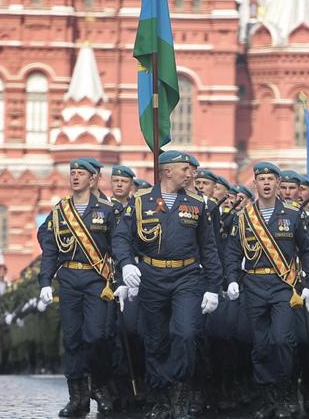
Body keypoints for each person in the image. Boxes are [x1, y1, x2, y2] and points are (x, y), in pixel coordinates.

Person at [112, 150, 223, 419]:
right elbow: (121, 238)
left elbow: (209, 248)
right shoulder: (140, 202)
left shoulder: (198, 204)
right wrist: (126, 264)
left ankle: (179, 394)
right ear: (168, 171)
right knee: (155, 340)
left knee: (185, 335)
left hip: (186, 277)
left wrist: (212, 286)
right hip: (151, 276)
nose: (191, 173)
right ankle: (161, 398)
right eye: (186, 169)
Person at [224, 162, 309, 419]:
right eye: (261, 179)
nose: (266, 183)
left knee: (282, 340)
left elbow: (307, 250)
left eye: (271, 179)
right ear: (255, 183)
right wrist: (231, 279)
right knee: (261, 345)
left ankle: (287, 392)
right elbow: (233, 251)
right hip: (254, 286)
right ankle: (268, 397)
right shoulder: (243, 217)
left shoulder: (292, 214)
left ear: (278, 184)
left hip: (283, 287)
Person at [37, 158, 119, 416]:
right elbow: (49, 247)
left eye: (80, 173)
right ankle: (77, 398)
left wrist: (121, 277)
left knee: (95, 336)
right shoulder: (60, 211)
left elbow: (118, 246)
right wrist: (45, 281)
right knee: (72, 340)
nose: (75, 177)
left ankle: (100, 385)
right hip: (70, 279)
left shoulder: (107, 210)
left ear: (92, 179)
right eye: (72, 173)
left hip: (97, 280)